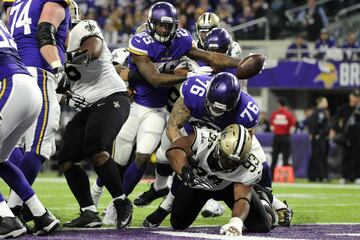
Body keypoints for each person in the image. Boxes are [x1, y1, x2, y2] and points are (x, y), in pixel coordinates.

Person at [112, 1, 242, 204]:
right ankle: (99, 197)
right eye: (159, 25)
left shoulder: (183, 42)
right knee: (119, 158)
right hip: (140, 104)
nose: (163, 30)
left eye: (168, 25)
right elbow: (148, 77)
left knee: (155, 156)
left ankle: (151, 196)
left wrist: (242, 63)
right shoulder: (140, 43)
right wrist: (189, 74)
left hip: (170, 110)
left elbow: (211, 57)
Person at [142, 72, 292, 228]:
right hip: (201, 165)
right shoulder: (203, 134)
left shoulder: (246, 115)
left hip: (229, 163)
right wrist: (185, 169)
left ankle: (265, 200)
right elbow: (174, 141)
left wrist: (236, 222)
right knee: (178, 221)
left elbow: (242, 149)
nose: (215, 112)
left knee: (263, 222)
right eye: (212, 106)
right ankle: (165, 205)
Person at [57, 19, 131, 229]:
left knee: (95, 146)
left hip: (111, 97)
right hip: (89, 108)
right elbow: (63, 91)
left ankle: (121, 201)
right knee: (66, 158)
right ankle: (88, 212)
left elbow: (94, 49)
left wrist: (63, 59)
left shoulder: (82, 28)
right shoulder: (50, 49)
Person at [4, 0, 72, 219]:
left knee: (10, 146)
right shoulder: (51, 3)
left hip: (13, 74)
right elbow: (45, 32)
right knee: (40, 147)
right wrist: (57, 66)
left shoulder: (15, 5)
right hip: (38, 72)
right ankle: (14, 210)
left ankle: (25, 208)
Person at [0, 19, 59, 237]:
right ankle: (41, 214)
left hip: (9, 85)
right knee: (1, 160)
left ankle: (6, 220)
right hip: (28, 88)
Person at [167, 124, 275, 236]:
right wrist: (185, 172)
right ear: (219, 144)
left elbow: (242, 198)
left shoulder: (251, 165)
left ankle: (263, 199)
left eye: (235, 163)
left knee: (263, 226)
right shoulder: (205, 139)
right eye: (226, 158)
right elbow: (175, 149)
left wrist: (236, 222)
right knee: (178, 224)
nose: (229, 165)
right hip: (198, 183)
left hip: (230, 186)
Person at [331, 89, 360, 184]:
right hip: (346, 136)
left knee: (357, 157)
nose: (356, 98)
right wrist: (334, 130)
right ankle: (344, 176)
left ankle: (356, 177)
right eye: (355, 96)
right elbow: (336, 119)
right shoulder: (344, 107)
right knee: (345, 157)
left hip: (358, 136)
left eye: (358, 97)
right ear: (350, 97)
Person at [269, 98, 296, 178]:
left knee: (274, 157)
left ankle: (272, 176)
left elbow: (271, 127)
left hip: (277, 137)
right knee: (285, 157)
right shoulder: (289, 114)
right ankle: (285, 177)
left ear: (279, 104)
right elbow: (292, 128)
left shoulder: (274, 114)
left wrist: (277, 130)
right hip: (285, 137)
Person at [307, 97, 330, 182]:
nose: (327, 102)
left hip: (322, 137)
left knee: (321, 156)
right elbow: (312, 124)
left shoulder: (323, 112)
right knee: (317, 156)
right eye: (325, 101)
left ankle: (320, 175)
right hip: (318, 138)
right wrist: (313, 134)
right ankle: (316, 176)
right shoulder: (318, 113)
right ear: (320, 102)